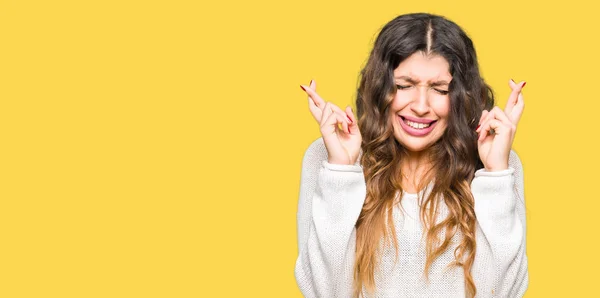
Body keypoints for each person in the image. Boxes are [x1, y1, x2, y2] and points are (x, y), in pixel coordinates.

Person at [294, 13, 529, 298]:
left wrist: (495, 175)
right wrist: (341, 171)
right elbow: (325, 292)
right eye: (404, 85)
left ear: (460, 96)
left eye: (440, 89)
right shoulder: (326, 157)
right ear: (381, 86)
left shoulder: (498, 166)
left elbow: (503, 292)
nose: (420, 106)